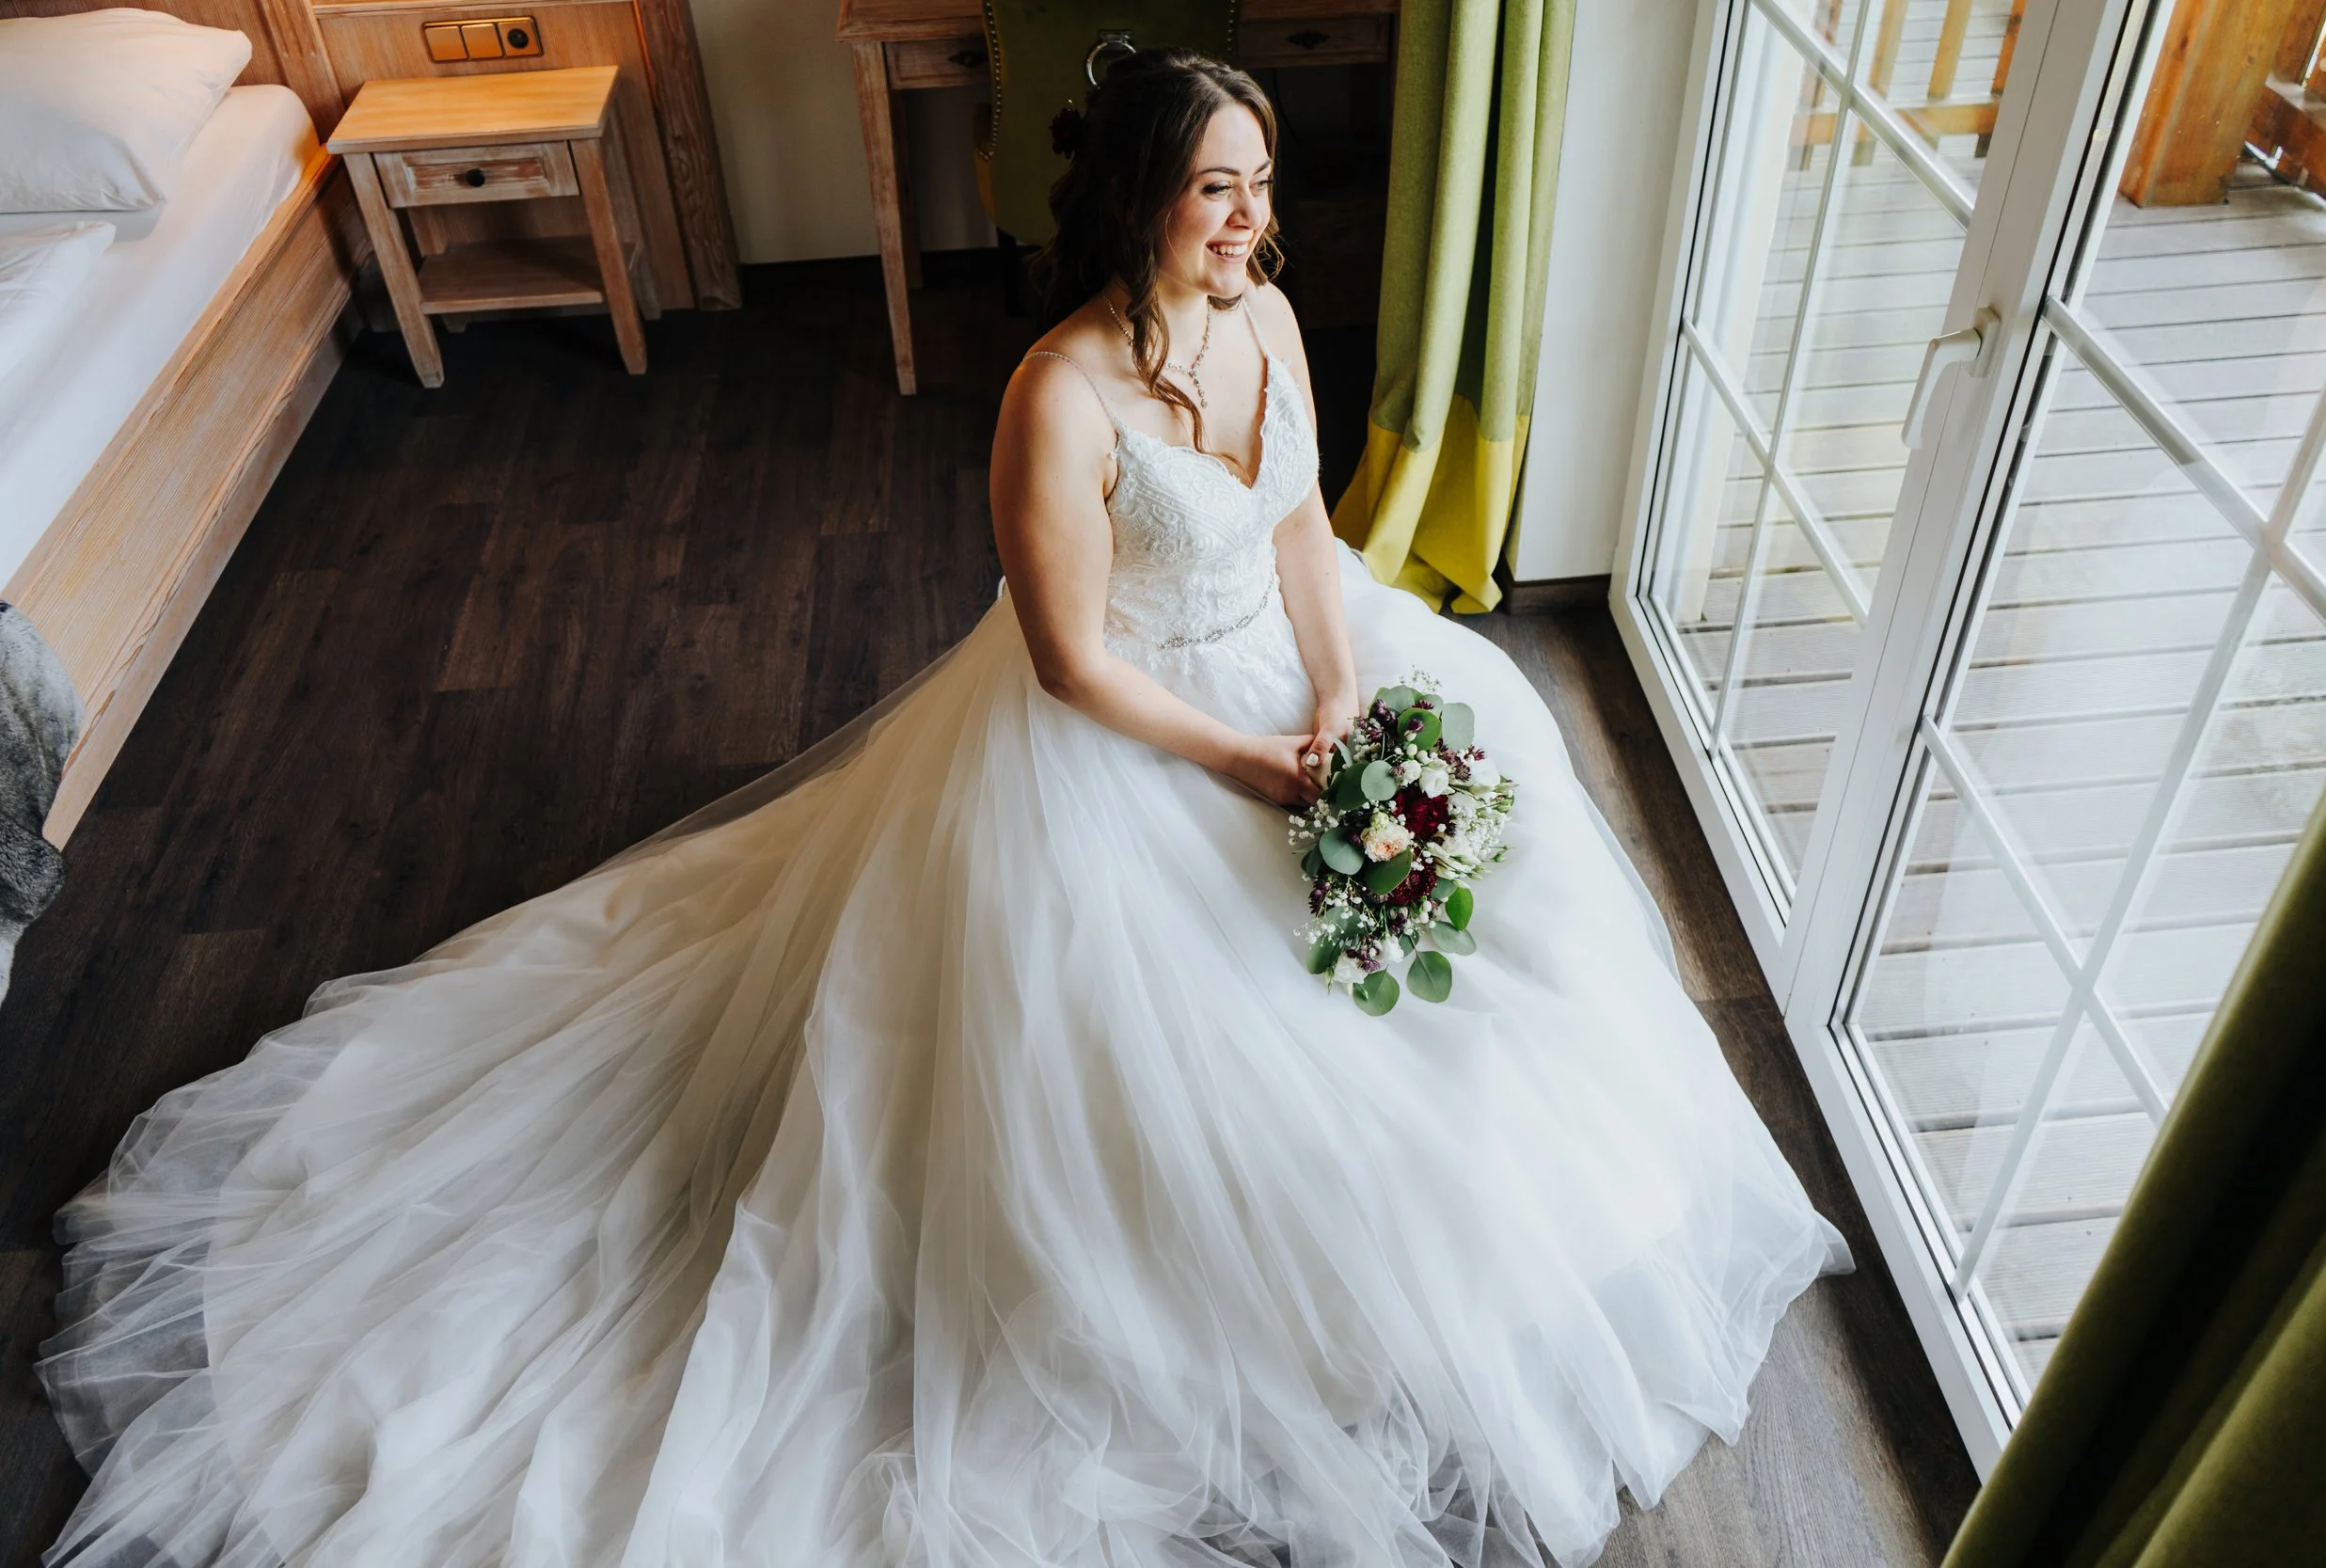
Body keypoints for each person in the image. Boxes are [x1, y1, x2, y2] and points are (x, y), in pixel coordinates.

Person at [40, 48, 1845, 1568]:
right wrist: (1252, 768)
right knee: (1185, 1074)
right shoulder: (1056, 398)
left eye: (1262, 185)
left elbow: (1302, 528)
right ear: (1140, 197)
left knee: (1491, 850)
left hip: (1293, 687)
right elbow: (1068, 666)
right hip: (1128, 730)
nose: (1250, 221)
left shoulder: (1273, 316)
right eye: (1216, 191)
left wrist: (1347, 694)